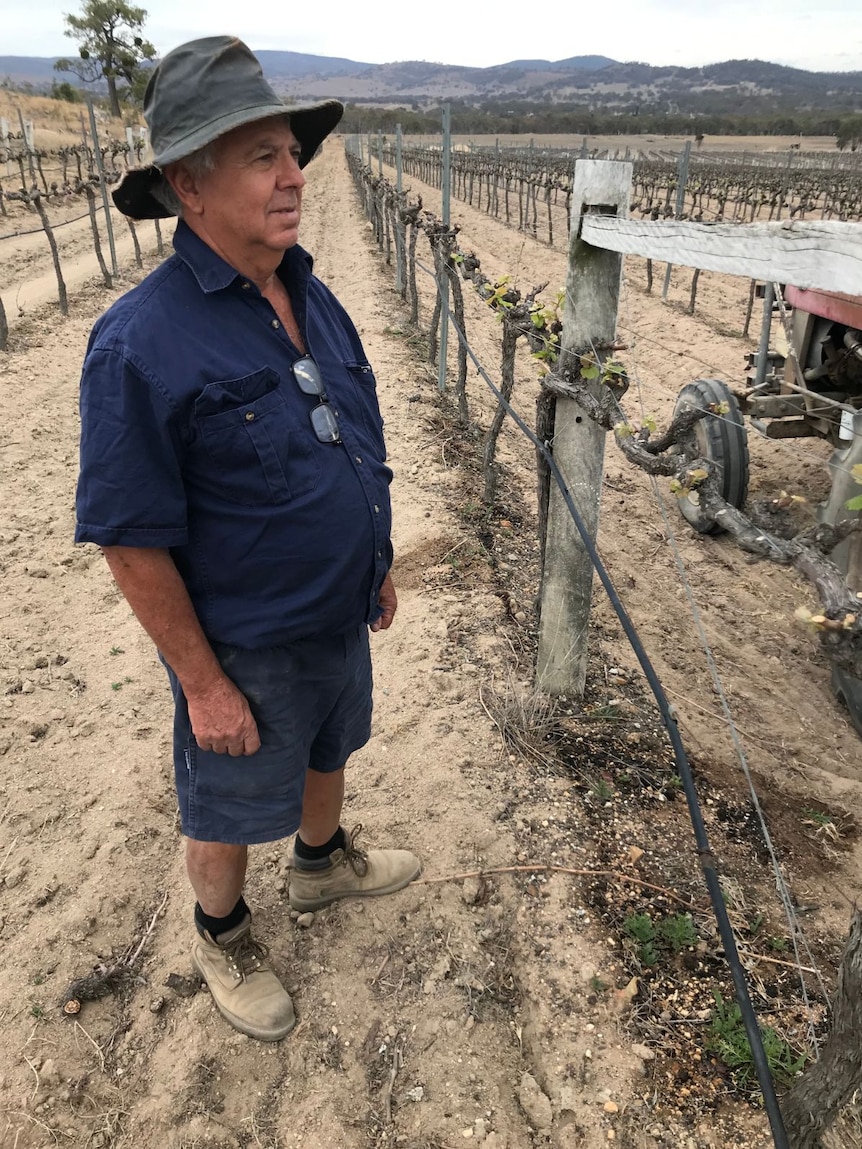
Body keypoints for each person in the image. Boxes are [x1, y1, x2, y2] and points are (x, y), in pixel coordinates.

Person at [75, 36, 420, 1043]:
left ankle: (318, 868)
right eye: (263, 157)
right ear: (189, 185)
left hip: (336, 612)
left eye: (291, 152)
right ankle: (220, 931)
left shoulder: (311, 293)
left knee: (330, 743)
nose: (294, 176)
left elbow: (356, 433)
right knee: (225, 803)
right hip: (243, 642)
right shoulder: (141, 342)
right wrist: (203, 682)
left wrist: (378, 560)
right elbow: (129, 537)